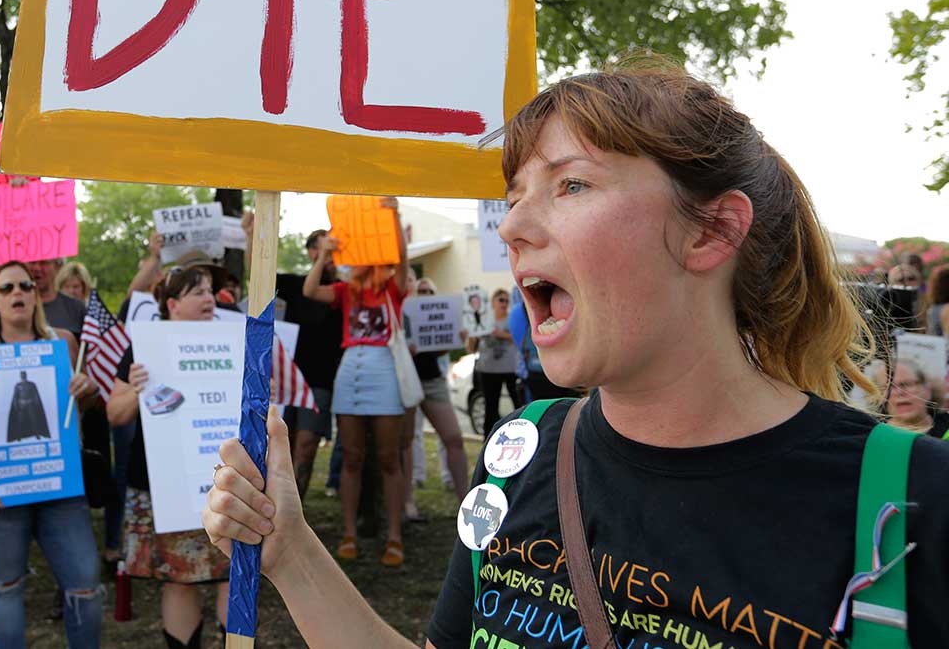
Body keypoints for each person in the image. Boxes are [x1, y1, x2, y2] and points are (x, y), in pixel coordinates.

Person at [204, 64, 949, 648]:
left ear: (711, 232)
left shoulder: (917, 503)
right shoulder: (520, 455)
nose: (515, 225)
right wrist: (290, 550)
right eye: (516, 193)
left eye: (571, 183)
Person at [0, 261, 103, 649]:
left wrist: (88, 390)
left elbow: (76, 410)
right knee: (3, 586)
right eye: (8, 287)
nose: (18, 293)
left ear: (36, 296)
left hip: (60, 486)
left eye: (26, 286)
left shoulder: (63, 343)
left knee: (85, 585)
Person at [107, 264, 231, 649]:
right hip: (165, 486)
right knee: (179, 579)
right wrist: (135, 389)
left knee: (233, 575)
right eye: (198, 292)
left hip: (223, 483)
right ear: (173, 304)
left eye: (211, 290)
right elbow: (116, 413)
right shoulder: (144, 347)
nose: (209, 298)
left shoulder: (230, 342)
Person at [301, 198, 410, 568]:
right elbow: (310, 291)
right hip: (350, 370)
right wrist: (323, 256)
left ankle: (394, 536)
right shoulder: (347, 292)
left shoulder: (393, 288)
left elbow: (403, 261)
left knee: (388, 458)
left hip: (383, 369)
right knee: (351, 457)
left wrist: (393, 216)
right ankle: (348, 532)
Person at [243, 220, 344, 498]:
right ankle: (278, 499)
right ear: (313, 251)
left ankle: (298, 506)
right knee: (282, 442)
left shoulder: (342, 290)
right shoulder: (297, 284)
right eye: (326, 247)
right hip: (288, 381)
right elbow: (259, 273)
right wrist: (251, 235)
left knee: (308, 444)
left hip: (321, 381)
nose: (334, 252)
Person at [400, 277, 469, 521]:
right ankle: (407, 502)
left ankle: (466, 502)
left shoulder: (439, 313)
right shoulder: (403, 313)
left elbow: (436, 347)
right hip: (406, 379)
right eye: (422, 290)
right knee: (406, 441)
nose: (427, 293)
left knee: (454, 438)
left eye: (431, 290)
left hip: (432, 380)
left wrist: (454, 338)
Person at [472, 288, 523, 433]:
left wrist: (501, 334)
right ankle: (488, 439)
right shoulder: (483, 321)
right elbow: (471, 347)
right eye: (501, 299)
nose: (504, 303)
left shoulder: (512, 318)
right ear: (493, 302)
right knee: (491, 407)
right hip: (488, 370)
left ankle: (520, 433)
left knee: (518, 404)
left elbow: (519, 338)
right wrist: (471, 336)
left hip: (510, 369)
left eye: (507, 300)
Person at [885, 358, 949, 438]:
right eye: (890, 386)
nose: (899, 392)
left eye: (907, 384)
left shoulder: (946, 426)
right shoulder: (871, 435)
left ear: (927, 390)